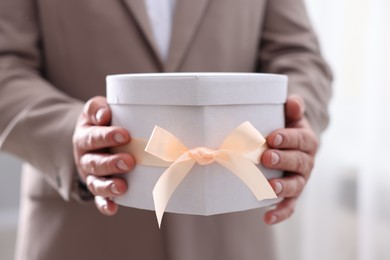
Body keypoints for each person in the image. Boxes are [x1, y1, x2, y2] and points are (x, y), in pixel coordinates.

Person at [0, 0, 332, 259]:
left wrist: (295, 123)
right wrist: (71, 133)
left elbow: (299, 55)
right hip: (82, 236)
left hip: (231, 233)